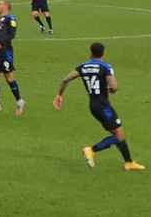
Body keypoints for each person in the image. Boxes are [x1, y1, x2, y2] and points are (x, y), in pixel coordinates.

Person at [53, 42, 145, 171]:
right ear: (103, 53)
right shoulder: (106, 67)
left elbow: (65, 79)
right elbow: (114, 87)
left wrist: (59, 96)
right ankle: (91, 150)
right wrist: (109, 89)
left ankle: (129, 162)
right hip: (103, 106)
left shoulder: (82, 67)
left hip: (93, 105)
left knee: (117, 133)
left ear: (90, 53)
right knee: (118, 135)